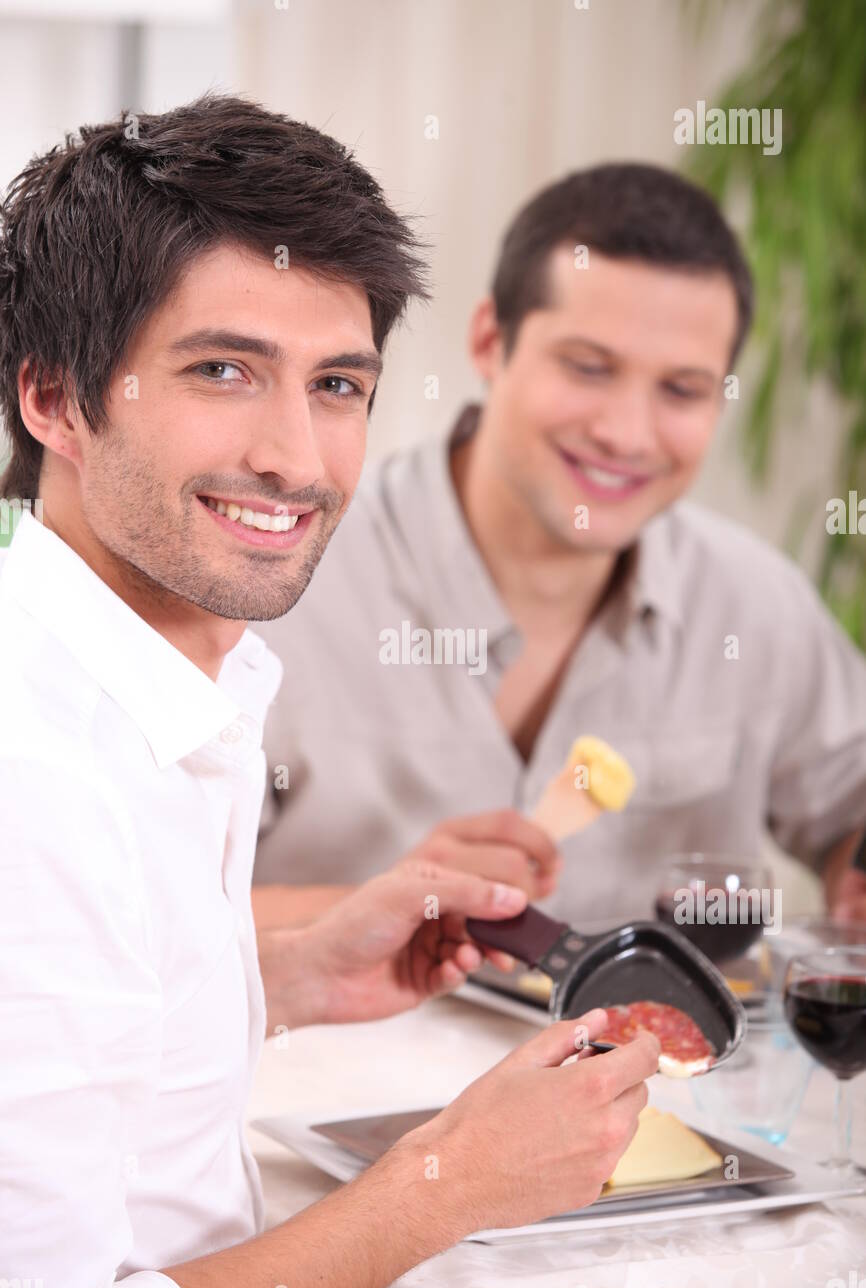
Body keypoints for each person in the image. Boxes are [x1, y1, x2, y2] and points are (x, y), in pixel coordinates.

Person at [0, 94, 659, 1288]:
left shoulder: (169, 675)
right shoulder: (31, 777)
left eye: (338, 386)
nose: (297, 460)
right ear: (52, 399)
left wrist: (286, 977)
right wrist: (445, 1182)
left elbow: (84, 1056)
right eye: (223, 371)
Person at [252, 163, 866, 933]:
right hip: (333, 1053)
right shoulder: (279, 578)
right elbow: (157, 919)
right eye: (587, 367)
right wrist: (398, 903)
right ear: (489, 341)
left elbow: (852, 813)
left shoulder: (753, 603)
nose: (626, 433)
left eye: (681, 390)